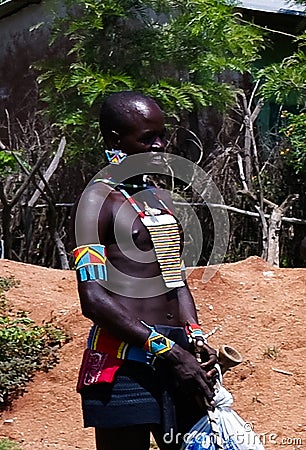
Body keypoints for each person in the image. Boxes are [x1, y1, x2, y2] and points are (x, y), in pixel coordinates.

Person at [71, 91, 218, 450]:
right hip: (124, 364)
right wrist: (164, 349)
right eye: (147, 138)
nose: (161, 145)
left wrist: (194, 337)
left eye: (161, 135)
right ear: (114, 139)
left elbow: (175, 280)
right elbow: (92, 299)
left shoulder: (159, 200)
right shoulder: (95, 202)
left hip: (178, 358)